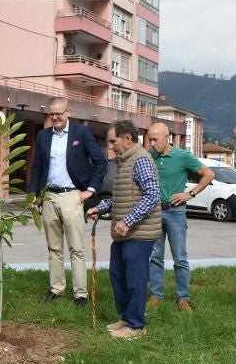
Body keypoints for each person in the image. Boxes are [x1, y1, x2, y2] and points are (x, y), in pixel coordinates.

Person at [28, 96, 107, 307]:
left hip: (72, 194)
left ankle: (80, 293)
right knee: (54, 247)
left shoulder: (81, 133)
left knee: (76, 248)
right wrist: (33, 194)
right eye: (52, 114)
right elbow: (36, 167)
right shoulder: (44, 136)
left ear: (68, 112)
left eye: (59, 114)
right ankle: (56, 288)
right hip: (49, 196)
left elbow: (99, 162)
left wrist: (90, 190)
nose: (55, 117)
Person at [86, 120, 161, 339]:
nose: (111, 146)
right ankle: (127, 318)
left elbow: (152, 195)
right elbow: (121, 198)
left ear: (127, 139)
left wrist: (128, 221)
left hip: (139, 233)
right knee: (117, 274)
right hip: (123, 234)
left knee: (135, 278)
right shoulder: (124, 162)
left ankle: (137, 326)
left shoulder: (141, 160)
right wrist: (100, 208)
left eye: (113, 141)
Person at [146, 122, 214, 311]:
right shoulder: (149, 156)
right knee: (155, 256)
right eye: (149, 139)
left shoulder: (183, 156)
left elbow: (209, 174)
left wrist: (189, 194)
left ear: (166, 138)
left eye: (155, 139)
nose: (151, 143)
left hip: (175, 212)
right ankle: (156, 294)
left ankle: (183, 297)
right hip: (153, 212)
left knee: (180, 257)